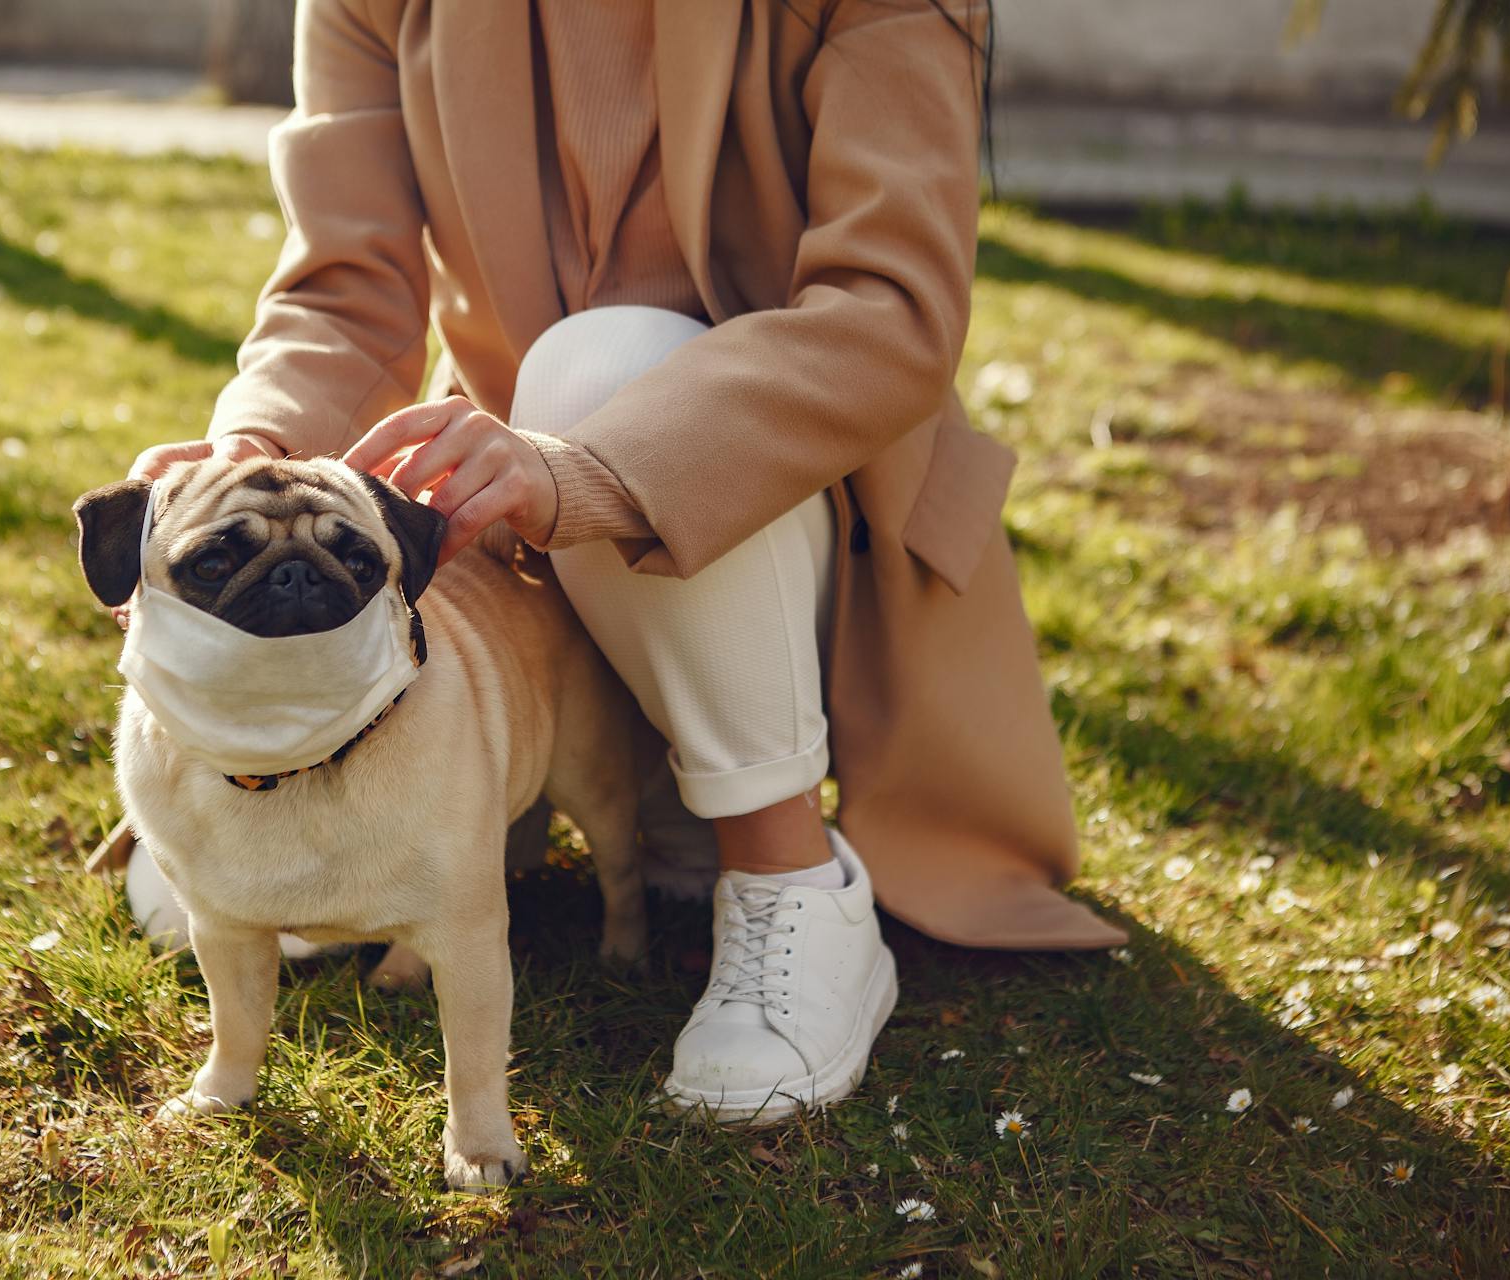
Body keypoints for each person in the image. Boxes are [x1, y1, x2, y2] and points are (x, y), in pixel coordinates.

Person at [116, 0, 1125, 1123]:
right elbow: (342, 291)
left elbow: (891, 313)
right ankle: (578, 796)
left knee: (599, 364)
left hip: (804, 525)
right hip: (523, 572)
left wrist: (584, 470)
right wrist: (249, 449)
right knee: (187, 893)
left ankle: (788, 873)